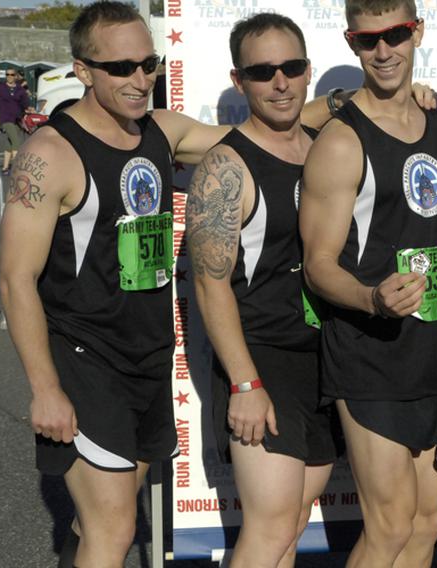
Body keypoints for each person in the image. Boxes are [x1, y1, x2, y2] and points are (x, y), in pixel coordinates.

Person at [0, 2, 228, 566]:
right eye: (121, 67)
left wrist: (343, 105)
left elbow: (248, 139)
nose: (139, 79)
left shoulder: (161, 131)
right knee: (115, 528)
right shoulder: (50, 155)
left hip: (147, 357)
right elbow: (15, 279)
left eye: (148, 63)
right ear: (83, 71)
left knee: (103, 515)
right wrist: (45, 388)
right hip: (84, 359)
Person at [300, 1, 437, 566]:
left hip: (434, 353)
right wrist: (371, 299)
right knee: (389, 525)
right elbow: (318, 264)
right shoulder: (341, 141)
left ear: (417, 32)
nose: (383, 51)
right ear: (351, 43)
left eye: (395, 35)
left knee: (427, 520)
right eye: (368, 41)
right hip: (369, 356)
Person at [187, 13, 337, 568]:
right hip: (264, 363)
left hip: (327, 360)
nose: (280, 82)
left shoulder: (328, 146)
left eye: (291, 67)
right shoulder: (227, 166)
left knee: (292, 524)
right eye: (262, 71)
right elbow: (209, 285)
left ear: (307, 72)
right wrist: (245, 381)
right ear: (238, 80)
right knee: (271, 528)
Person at [0, 66, 30, 174]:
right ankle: (16, 169)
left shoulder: (20, 89)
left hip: (17, 119)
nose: (9, 76)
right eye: (7, 74)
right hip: (6, 119)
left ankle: (5, 168)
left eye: (12, 74)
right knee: (16, 142)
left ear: (16, 76)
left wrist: (29, 108)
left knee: (10, 143)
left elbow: (25, 102)